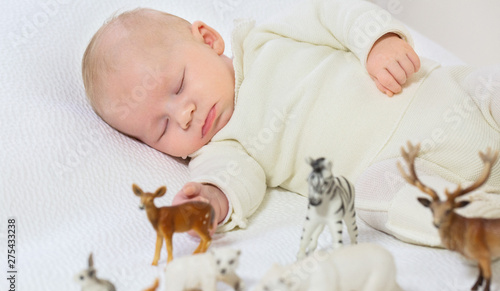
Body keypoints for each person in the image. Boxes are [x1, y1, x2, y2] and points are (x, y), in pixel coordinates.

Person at [82, 0, 500, 246]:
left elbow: (333, 12)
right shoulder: (225, 148)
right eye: (162, 128)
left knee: (486, 84)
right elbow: (232, 180)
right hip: (406, 170)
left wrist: (378, 41)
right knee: (373, 199)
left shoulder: (267, 39)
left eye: (178, 86)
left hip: (446, 96)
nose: (184, 115)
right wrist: (210, 201)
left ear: (208, 39)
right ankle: (478, 223)